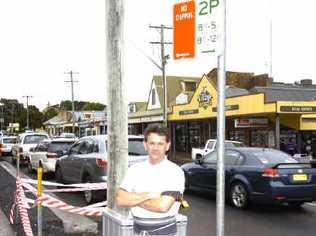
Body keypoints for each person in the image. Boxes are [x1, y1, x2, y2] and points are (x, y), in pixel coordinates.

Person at [116, 123, 185, 236]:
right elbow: (120, 199)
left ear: (167, 146)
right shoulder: (134, 169)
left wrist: (133, 199)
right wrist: (149, 195)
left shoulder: (175, 172)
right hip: (137, 232)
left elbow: (162, 206)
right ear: (145, 145)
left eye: (160, 144)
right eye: (152, 143)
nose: (155, 148)